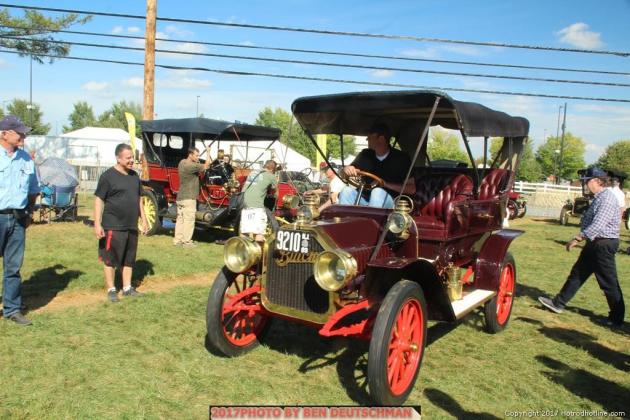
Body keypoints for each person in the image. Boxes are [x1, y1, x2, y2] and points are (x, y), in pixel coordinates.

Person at [538, 167, 625, 328]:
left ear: (598, 181)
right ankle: (558, 303)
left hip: (603, 245)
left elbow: (599, 224)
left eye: (588, 181)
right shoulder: (600, 197)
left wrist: (578, 238)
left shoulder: (606, 199)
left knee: (608, 282)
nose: (585, 185)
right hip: (595, 243)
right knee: (578, 274)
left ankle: (616, 318)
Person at [94, 143, 149, 302]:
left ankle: (127, 288)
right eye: (128, 158)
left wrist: (143, 220)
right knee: (110, 258)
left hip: (131, 225)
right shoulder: (107, 177)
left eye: (132, 157)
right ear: (118, 158)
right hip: (113, 225)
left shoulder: (134, 177)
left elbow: (139, 200)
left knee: (128, 258)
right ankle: (111, 289)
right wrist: (97, 223)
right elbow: (98, 200)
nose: (132, 160)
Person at [0, 116, 39, 325]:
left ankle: (12, 309)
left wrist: (29, 212)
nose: (24, 136)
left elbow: (33, 190)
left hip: (17, 219)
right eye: (19, 132)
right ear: (4, 134)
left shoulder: (26, 159)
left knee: (13, 267)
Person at [338, 123, 416, 208]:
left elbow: (411, 189)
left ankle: (370, 221)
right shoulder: (365, 154)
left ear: (381, 139)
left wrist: (385, 184)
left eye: (370, 136)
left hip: (390, 202)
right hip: (364, 198)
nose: (367, 139)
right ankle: (346, 220)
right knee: (346, 191)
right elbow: (343, 173)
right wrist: (346, 169)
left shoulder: (401, 158)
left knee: (377, 192)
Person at [174, 147, 211, 247]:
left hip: (180, 197)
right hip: (189, 197)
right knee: (189, 221)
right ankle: (187, 242)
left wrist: (197, 160)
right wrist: (208, 152)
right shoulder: (191, 166)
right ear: (190, 154)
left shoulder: (182, 162)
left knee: (180, 220)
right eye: (196, 155)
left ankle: (178, 241)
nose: (198, 157)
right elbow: (207, 165)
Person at [242, 159, 279, 232]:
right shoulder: (271, 176)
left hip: (243, 201)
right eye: (275, 170)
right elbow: (277, 193)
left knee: (245, 231)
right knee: (259, 233)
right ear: (272, 169)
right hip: (256, 205)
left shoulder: (253, 172)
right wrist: (275, 206)